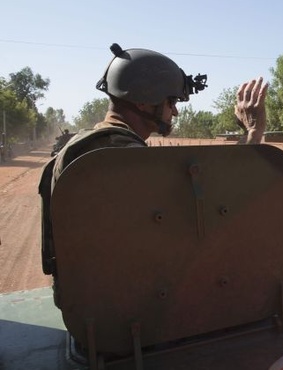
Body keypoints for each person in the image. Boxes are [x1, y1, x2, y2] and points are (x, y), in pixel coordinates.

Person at [40, 44, 268, 308]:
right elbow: (207, 217)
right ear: (143, 101)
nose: (176, 111)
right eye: (171, 101)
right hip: (129, 309)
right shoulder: (126, 158)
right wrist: (253, 133)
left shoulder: (86, 146)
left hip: (91, 305)